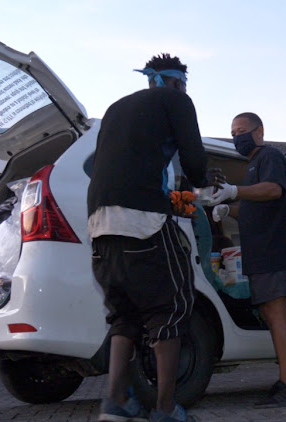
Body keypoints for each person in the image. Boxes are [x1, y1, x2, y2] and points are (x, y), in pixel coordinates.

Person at [87, 53, 222, 422]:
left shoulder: (115, 108)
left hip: (99, 224)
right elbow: (194, 163)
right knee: (170, 307)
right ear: (178, 82)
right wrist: (205, 181)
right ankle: (165, 409)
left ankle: (115, 402)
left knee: (124, 314)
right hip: (141, 221)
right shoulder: (177, 100)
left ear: (150, 79)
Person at [210, 112, 286, 407]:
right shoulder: (253, 166)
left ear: (259, 131)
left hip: (277, 251)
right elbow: (254, 206)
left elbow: (274, 190)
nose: (237, 136)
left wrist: (235, 191)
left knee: (276, 313)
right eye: (233, 131)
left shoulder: (270, 157)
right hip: (261, 254)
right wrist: (229, 208)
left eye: (241, 130)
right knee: (269, 311)